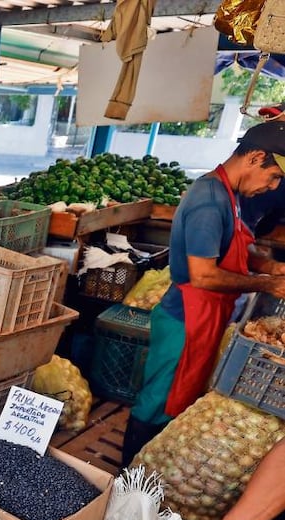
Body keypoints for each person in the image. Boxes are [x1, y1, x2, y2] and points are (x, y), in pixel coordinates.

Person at [122, 121, 285, 465]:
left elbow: (230, 247)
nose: (273, 187)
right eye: (274, 177)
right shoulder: (209, 200)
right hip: (186, 318)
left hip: (205, 316)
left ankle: (157, 469)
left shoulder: (230, 194)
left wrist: (267, 266)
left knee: (178, 398)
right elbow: (203, 274)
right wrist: (265, 284)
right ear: (256, 158)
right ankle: (127, 476)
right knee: (158, 403)